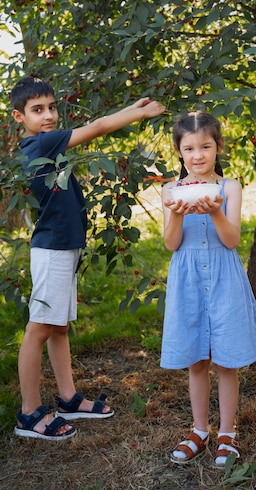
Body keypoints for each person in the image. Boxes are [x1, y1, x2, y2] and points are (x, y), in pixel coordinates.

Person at [10, 76, 165, 441]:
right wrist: (138, 113)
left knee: (58, 326)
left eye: (51, 107)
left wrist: (131, 109)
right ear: (20, 117)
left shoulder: (47, 147)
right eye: (37, 110)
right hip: (51, 250)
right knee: (39, 329)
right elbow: (96, 128)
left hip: (64, 248)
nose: (48, 115)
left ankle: (68, 399)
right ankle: (29, 413)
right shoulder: (39, 143)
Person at [160, 111, 256, 468]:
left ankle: (227, 434)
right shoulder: (169, 191)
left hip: (223, 280)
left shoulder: (229, 188)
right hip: (188, 282)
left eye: (205, 146)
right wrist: (176, 213)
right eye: (189, 148)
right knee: (197, 360)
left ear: (218, 147)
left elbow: (232, 239)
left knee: (225, 360)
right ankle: (200, 430)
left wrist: (216, 212)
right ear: (179, 152)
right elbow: (171, 244)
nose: (198, 155)